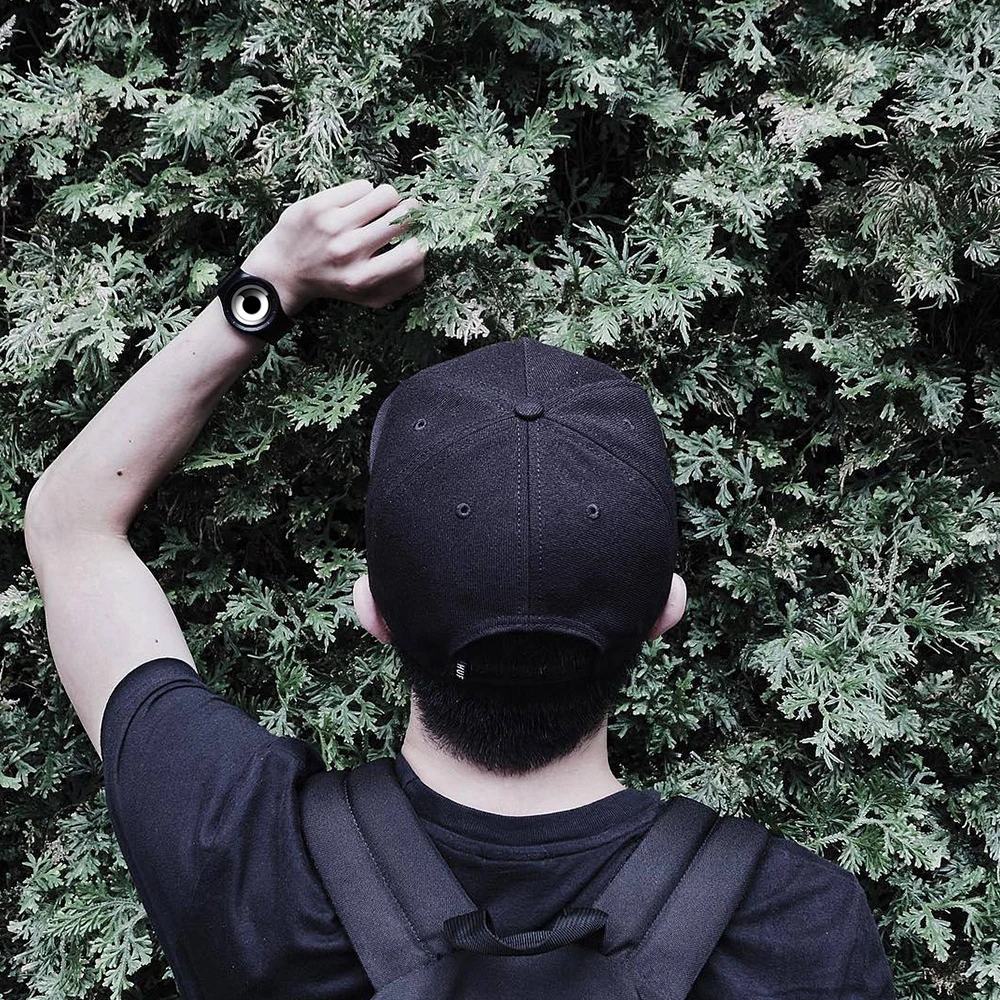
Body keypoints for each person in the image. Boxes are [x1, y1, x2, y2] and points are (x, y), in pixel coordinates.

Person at [23, 178, 895, 999]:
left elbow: (71, 526)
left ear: (371, 612)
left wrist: (270, 287)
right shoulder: (800, 929)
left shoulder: (245, 858)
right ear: (666, 612)